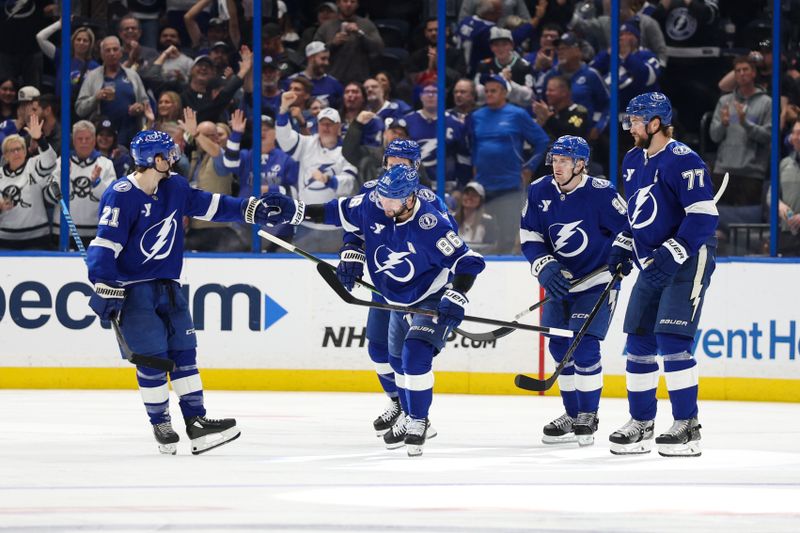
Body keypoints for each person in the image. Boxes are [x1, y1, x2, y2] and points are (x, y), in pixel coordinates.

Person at [260, 164, 486, 456]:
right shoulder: (373, 203)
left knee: (415, 354)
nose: (384, 203)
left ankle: (419, 421)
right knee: (396, 362)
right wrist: (295, 211)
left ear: (409, 199)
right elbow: (334, 211)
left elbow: (467, 262)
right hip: (394, 299)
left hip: (430, 296)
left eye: (391, 199)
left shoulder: (431, 224)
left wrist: (456, 295)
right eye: (382, 196)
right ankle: (408, 413)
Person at [85, 130, 274, 455]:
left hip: (169, 287)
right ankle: (161, 423)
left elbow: (211, 205)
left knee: (185, 353)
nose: (174, 158)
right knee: (154, 360)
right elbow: (104, 243)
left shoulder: (174, 187)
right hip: (134, 292)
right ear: (152, 159)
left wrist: (250, 209)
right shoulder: (121, 194)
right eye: (167, 154)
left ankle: (196, 423)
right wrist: (104, 281)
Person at [607, 92, 718, 457]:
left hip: (688, 258)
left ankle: (688, 425)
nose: (630, 128)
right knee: (638, 342)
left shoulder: (684, 160)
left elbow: (703, 216)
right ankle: (641, 423)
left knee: (672, 341)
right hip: (651, 261)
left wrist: (673, 253)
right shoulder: (632, 159)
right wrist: (625, 244)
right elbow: (636, 214)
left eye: (636, 122)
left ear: (656, 123)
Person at [520, 136, 628, 446]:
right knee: (558, 347)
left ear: (581, 164)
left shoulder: (601, 193)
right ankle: (572, 413)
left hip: (596, 281)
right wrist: (544, 264)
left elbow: (628, 227)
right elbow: (529, 234)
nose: (557, 165)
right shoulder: (540, 189)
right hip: (559, 281)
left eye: (565, 160)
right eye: (555, 159)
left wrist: (623, 252)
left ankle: (588, 415)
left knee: (584, 345)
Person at [466, 74, 548, 253]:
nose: (488, 94)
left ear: (504, 92)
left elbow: (542, 141)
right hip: (482, 184)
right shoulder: (476, 116)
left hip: (509, 183)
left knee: (508, 234)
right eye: (486, 91)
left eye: (493, 90)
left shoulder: (517, 114)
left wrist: (529, 168)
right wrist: (474, 166)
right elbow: (472, 145)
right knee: (481, 234)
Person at [276, 91, 357, 253]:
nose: (326, 127)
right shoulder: (307, 144)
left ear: (339, 127)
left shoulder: (348, 150)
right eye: (322, 123)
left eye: (330, 123)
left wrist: (329, 179)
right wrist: (283, 110)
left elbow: (349, 183)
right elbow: (285, 139)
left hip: (336, 227)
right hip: (306, 224)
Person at [48, 120, 116, 249]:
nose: (84, 142)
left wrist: (97, 183)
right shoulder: (61, 162)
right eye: (80, 139)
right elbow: (50, 197)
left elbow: (111, 200)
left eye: (87, 138)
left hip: (95, 233)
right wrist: (64, 178)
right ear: (73, 141)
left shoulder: (106, 165)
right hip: (63, 233)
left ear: (94, 140)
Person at [74, 36, 149, 147]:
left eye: (115, 49)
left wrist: (140, 107)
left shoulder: (132, 75)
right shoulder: (92, 76)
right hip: (103, 137)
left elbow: (146, 103)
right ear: (101, 54)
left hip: (131, 133)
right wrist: (95, 98)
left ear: (121, 52)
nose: (112, 53)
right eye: (107, 50)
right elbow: (80, 109)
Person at [0, 115, 55, 250]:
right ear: (5, 155)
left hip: (37, 239)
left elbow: (50, 161)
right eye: (12, 150)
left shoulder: (33, 165)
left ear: (25, 151)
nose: (17, 153)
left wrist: (39, 139)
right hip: (5, 240)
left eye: (20, 149)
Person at [313, 0, 384, 84]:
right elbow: (314, 53)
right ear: (338, 4)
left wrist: (360, 33)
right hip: (332, 79)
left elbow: (378, 48)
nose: (349, 4)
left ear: (357, 5)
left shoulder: (367, 24)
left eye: (352, 1)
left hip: (360, 80)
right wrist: (333, 44)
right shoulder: (326, 26)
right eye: (345, 1)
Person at [285, 41, 344, 110]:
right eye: (323, 58)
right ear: (311, 58)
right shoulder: (291, 82)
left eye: (327, 59)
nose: (327, 63)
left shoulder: (335, 84)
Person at [455, 181, 498, 254]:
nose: (469, 197)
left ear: (480, 200)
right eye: (467, 194)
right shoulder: (452, 219)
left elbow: (491, 246)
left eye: (474, 195)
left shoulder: (488, 221)